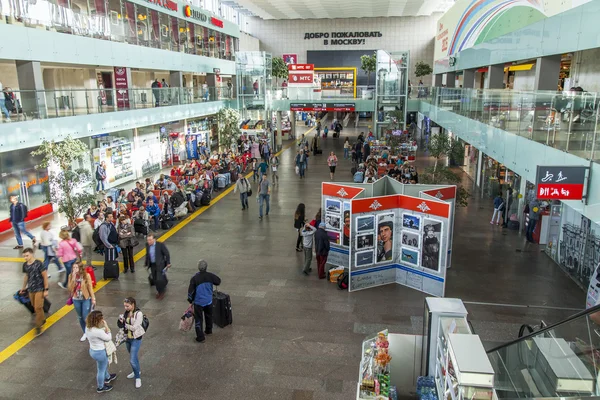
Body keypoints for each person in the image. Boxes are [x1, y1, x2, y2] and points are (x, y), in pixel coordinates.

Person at [187, 260, 221, 343]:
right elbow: (218, 281)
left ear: (198, 267)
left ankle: (200, 337)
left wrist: (190, 301)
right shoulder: (210, 276)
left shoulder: (195, 278)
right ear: (206, 267)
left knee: (199, 319)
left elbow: (190, 291)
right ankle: (209, 330)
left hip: (199, 302)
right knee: (209, 316)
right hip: (209, 300)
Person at [85, 310, 117, 393]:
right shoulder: (98, 331)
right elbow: (108, 337)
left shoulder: (87, 328)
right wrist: (107, 327)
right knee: (101, 370)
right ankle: (100, 387)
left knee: (102, 365)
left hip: (92, 350)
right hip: (100, 352)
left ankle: (107, 377)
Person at [117, 297, 145, 388]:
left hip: (136, 339)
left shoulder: (139, 314)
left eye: (127, 306)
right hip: (127, 338)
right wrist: (120, 321)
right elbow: (122, 326)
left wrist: (125, 324)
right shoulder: (126, 313)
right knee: (134, 357)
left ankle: (138, 378)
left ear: (133, 305)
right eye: (125, 306)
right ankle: (136, 370)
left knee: (132, 360)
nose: (126, 308)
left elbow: (134, 327)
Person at [20, 248, 49, 336]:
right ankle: (42, 318)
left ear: (32, 254)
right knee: (34, 306)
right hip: (31, 289)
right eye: (24, 256)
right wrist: (23, 287)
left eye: (27, 255)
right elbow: (26, 276)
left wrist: (46, 289)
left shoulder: (39, 263)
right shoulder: (25, 265)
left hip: (39, 288)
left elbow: (45, 276)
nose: (25, 257)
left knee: (38, 308)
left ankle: (38, 327)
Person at [68, 262, 96, 341]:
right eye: (74, 268)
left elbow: (90, 287)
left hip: (85, 298)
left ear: (80, 268)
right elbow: (70, 289)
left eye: (76, 268)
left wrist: (93, 298)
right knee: (80, 317)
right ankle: (85, 332)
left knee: (85, 316)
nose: (75, 269)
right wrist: (73, 279)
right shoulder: (70, 276)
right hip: (76, 299)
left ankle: (89, 331)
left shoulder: (86, 276)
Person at [145, 234, 171, 299]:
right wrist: (146, 263)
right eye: (148, 240)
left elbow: (166, 253)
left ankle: (161, 292)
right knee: (155, 279)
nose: (149, 241)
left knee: (159, 279)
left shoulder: (160, 245)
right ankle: (161, 287)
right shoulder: (147, 245)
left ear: (154, 239)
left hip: (160, 264)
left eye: (150, 240)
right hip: (152, 264)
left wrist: (168, 262)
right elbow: (147, 255)